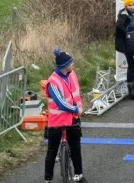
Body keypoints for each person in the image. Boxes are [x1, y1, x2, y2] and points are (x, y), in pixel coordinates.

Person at [44, 49, 88, 183]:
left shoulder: (72, 74)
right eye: (71, 62)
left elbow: (76, 92)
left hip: (73, 118)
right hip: (58, 121)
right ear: (64, 66)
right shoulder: (53, 82)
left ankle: (79, 174)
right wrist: (76, 109)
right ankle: (48, 179)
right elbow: (60, 103)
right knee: (52, 150)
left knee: (75, 147)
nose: (73, 64)